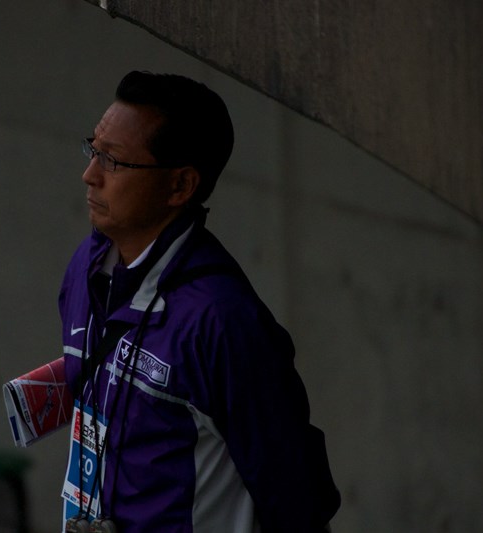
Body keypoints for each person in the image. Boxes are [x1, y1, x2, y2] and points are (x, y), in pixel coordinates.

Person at [58, 70, 340, 533]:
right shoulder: (86, 267)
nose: (90, 175)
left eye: (113, 161)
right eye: (93, 150)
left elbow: (297, 499)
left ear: (180, 186)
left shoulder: (222, 320)